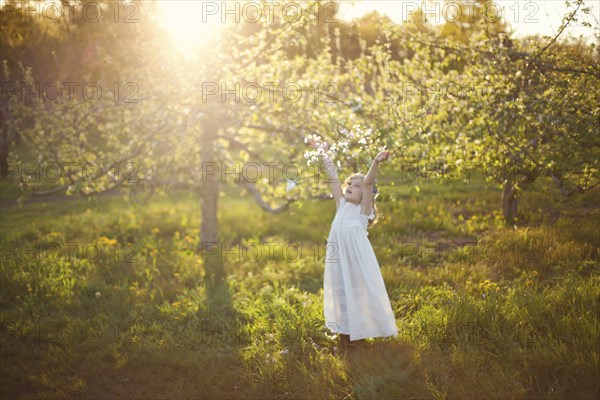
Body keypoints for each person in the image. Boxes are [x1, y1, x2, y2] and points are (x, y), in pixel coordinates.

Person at [317, 143, 399, 351]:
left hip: (357, 264)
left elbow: (369, 182)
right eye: (349, 184)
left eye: (356, 185)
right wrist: (324, 153)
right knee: (341, 294)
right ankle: (345, 336)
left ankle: (359, 336)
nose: (350, 187)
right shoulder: (341, 205)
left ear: (365, 194)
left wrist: (376, 161)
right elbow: (334, 179)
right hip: (338, 262)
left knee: (357, 295)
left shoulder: (363, 211)